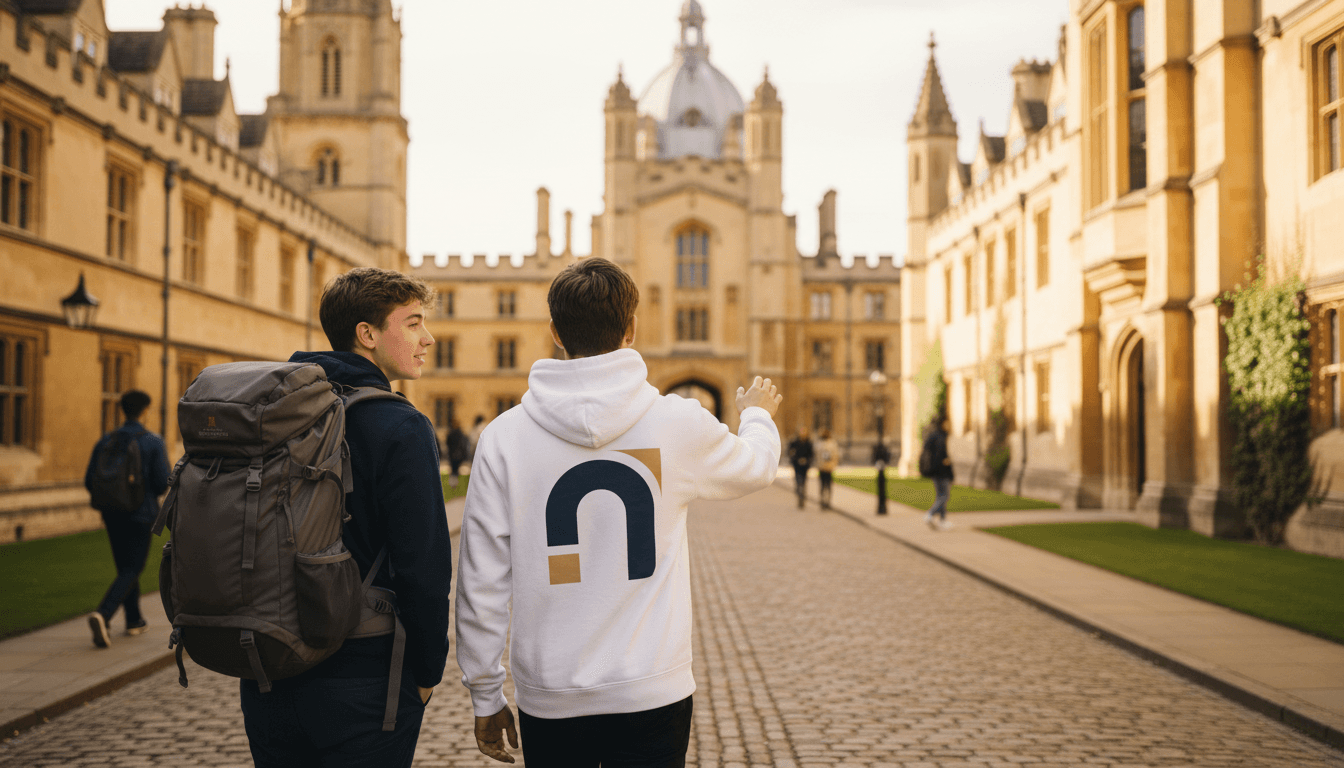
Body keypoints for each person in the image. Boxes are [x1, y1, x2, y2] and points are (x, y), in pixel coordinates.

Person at [456, 257, 782, 767]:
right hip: (652, 689)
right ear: (631, 328)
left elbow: (481, 582)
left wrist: (484, 692)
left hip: (552, 693)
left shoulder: (504, 437)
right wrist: (757, 414)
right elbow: (758, 466)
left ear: (555, 334)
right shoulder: (676, 422)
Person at [239, 267, 452, 768]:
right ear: (368, 335)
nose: (429, 338)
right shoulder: (400, 424)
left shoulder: (274, 409)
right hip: (364, 677)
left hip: (268, 669)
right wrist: (426, 674)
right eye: (414, 323)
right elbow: (424, 568)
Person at [83, 390, 170, 647]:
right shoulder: (153, 441)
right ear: (145, 411)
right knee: (133, 568)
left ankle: (134, 621)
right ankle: (104, 614)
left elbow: (90, 480)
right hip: (141, 514)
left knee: (126, 569)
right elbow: (162, 481)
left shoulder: (105, 440)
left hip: (111, 514)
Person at [920, 419, 955, 531]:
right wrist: (947, 465)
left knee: (940, 496)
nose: (950, 426)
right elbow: (941, 457)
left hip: (934, 472)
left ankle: (942, 521)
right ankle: (930, 514)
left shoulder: (934, 436)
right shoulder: (940, 438)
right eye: (948, 423)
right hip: (941, 472)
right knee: (944, 496)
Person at [786, 427, 814, 508]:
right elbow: (790, 451)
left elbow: (811, 454)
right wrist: (794, 459)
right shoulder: (794, 442)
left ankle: (802, 497)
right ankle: (799, 492)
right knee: (798, 480)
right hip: (797, 464)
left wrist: (807, 460)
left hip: (805, 465)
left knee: (804, 482)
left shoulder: (808, 443)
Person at [814, 428, 840, 510]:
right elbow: (836, 456)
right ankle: (826, 501)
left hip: (823, 467)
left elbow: (816, 455)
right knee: (828, 485)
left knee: (823, 485)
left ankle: (824, 501)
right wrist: (834, 465)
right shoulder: (832, 444)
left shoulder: (819, 444)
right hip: (828, 467)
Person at [446, 419, 469, 489]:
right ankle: (454, 483)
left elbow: (448, 443)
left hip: (452, 454)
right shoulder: (460, 433)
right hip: (458, 454)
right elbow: (463, 444)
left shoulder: (451, 433)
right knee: (455, 470)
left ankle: (453, 483)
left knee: (453, 469)